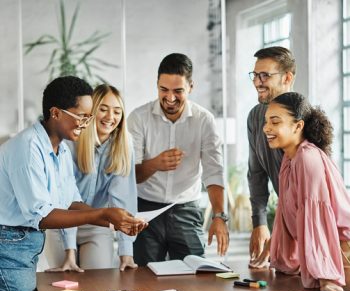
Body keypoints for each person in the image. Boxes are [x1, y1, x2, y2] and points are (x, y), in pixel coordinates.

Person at [0, 76, 146, 291]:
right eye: (82, 116)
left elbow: (70, 201)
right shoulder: (27, 148)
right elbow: (43, 215)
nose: (87, 123)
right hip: (8, 244)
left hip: (25, 241)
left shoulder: (60, 150)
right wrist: (102, 216)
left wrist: (110, 217)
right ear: (55, 113)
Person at [128, 53, 229, 266]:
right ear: (156, 85)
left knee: (194, 276)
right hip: (145, 210)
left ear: (191, 87)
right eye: (163, 90)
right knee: (144, 280)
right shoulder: (138, 118)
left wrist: (219, 216)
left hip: (186, 209)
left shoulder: (204, 120)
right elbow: (130, 175)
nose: (170, 97)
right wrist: (156, 164)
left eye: (178, 91)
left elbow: (214, 170)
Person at [261, 91, 350, 291]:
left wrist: (325, 276)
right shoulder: (289, 158)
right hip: (330, 255)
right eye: (267, 121)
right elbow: (287, 212)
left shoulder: (307, 159)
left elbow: (318, 219)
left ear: (298, 126)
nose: (267, 128)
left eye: (275, 122)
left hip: (343, 255)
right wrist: (283, 260)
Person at [44, 84, 138, 272]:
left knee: (98, 281)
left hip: (96, 226)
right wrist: (69, 251)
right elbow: (66, 200)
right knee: (64, 285)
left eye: (117, 112)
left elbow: (122, 200)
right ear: (90, 112)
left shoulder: (123, 147)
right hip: (61, 225)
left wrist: (126, 253)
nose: (110, 117)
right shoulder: (70, 142)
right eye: (103, 109)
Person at [247, 46, 296, 266]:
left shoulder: (304, 119)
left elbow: (305, 195)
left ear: (287, 78)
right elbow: (256, 173)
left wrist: (277, 236)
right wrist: (259, 222)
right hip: (287, 223)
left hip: (312, 225)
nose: (258, 82)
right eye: (255, 75)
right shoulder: (256, 116)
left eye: (265, 75)